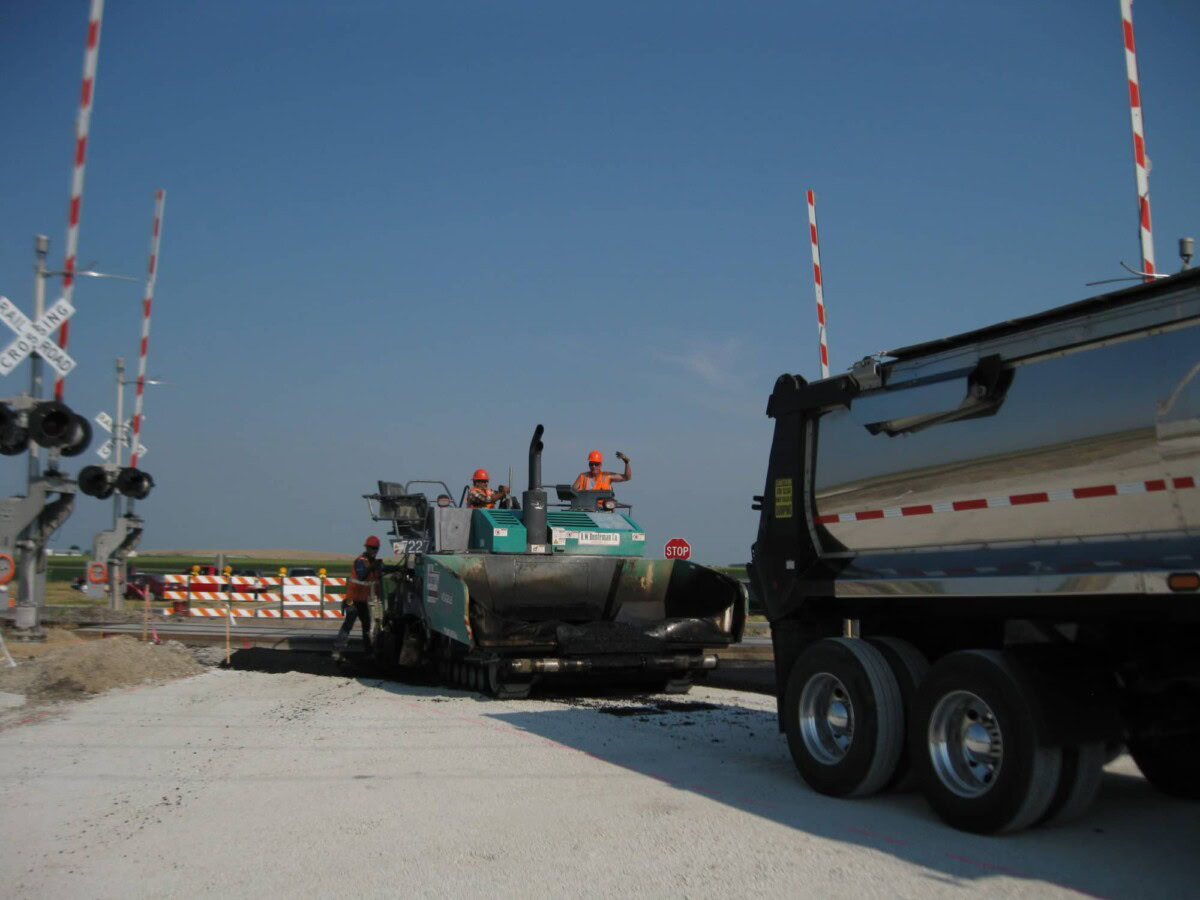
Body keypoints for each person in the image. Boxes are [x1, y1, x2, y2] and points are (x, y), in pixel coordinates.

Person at [335, 535, 399, 653]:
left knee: (366, 626)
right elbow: (362, 575)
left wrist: (399, 568)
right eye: (371, 548)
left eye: (375, 548)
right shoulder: (360, 561)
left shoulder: (375, 563)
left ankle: (368, 650)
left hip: (363, 602)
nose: (373, 550)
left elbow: (386, 568)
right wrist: (371, 567)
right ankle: (338, 649)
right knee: (349, 623)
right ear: (366, 548)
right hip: (352, 600)